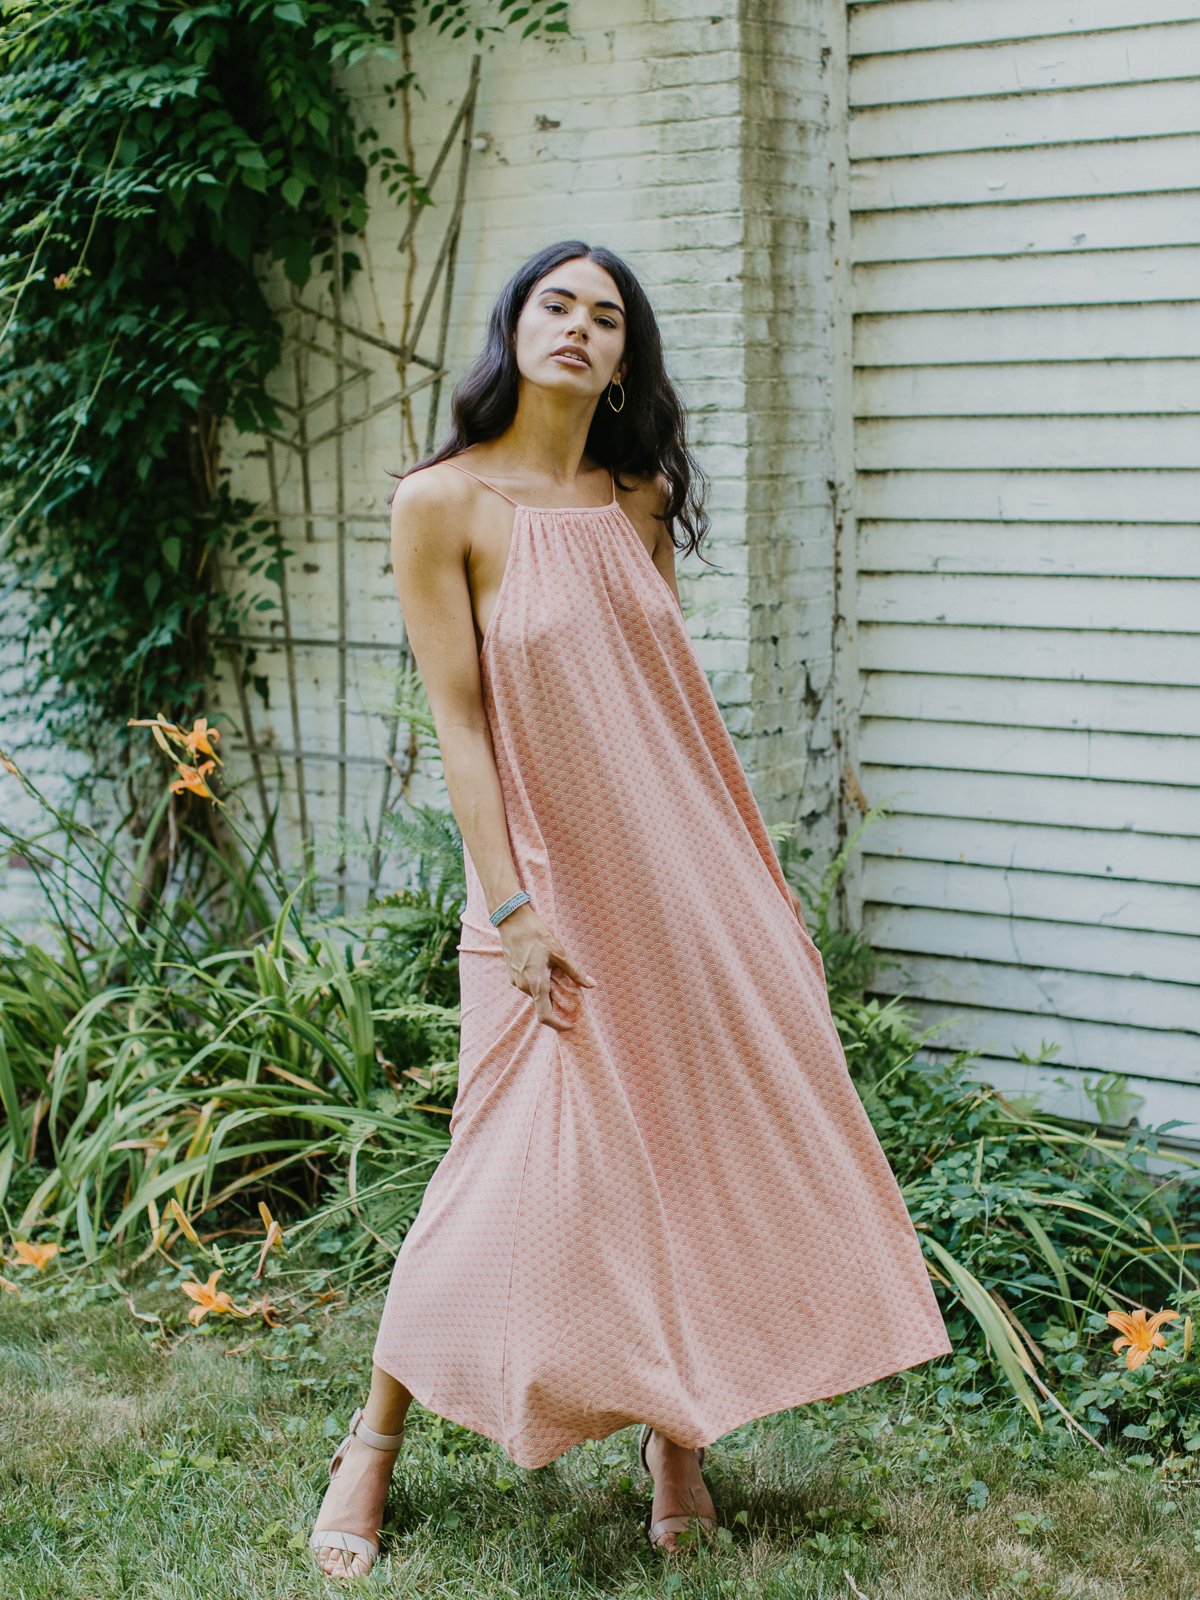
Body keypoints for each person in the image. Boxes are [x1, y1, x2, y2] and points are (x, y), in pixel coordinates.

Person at [310, 241, 953, 1578]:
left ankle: (677, 1436)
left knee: (689, 1146)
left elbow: (658, 709)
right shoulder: (442, 504)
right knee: (498, 1165)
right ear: (515, 326)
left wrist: (747, 883)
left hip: (681, 870)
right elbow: (466, 731)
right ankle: (370, 1443)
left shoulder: (637, 494)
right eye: (559, 304)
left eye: (608, 319)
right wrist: (511, 903)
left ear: (622, 363)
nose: (581, 329)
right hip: (541, 891)